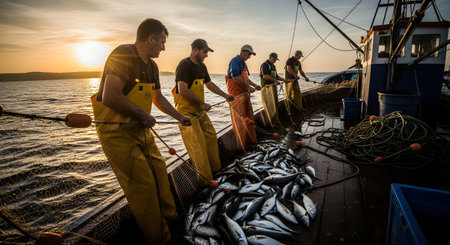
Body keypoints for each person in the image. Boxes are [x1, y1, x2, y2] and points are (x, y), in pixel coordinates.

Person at [90, 18, 191, 245]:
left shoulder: (152, 66)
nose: (163, 48)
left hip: (141, 131)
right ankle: (160, 238)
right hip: (117, 134)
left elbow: (158, 99)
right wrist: (143, 115)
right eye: (162, 42)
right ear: (150, 38)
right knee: (143, 187)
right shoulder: (123, 54)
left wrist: (180, 117)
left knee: (159, 171)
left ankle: (172, 220)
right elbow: (110, 96)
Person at [172, 38, 233, 183]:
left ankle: (216, 172)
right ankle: (205, 181)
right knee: (198, 146)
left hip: (199, 111)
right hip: (187, 114)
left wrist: (226, 95)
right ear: (195, 50)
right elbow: (182, 90)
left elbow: (209, 84)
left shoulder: (202, 67)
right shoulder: (184, 65)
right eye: (205, 52)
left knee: (211, 137)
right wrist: (202, 103)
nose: (206, 55)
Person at [225, 45, 261, 149]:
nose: (249, 56)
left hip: (245, 96)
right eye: (249, 54)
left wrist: (254, 86)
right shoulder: (235, 61)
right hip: (236, 97)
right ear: (243, 51)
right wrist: (249, 87)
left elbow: (246, 79)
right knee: (240, 122)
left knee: (248, 119)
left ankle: (249, 142)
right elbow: (235, 77)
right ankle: (242, 146)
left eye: (251, 54)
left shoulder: (244, 63)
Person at [260, 52, 287, 126]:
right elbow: (265, 76)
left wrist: (284, 80)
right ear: (270, 57)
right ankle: (270, 123)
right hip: (266, 89)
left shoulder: (273, 66)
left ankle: (275, 120)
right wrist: (275, 81)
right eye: (274, 59)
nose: (275, 61)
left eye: (276, 60)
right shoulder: (265, 65)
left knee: (275, 104)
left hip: (273, 88)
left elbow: (277, 76)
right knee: (269, 105)